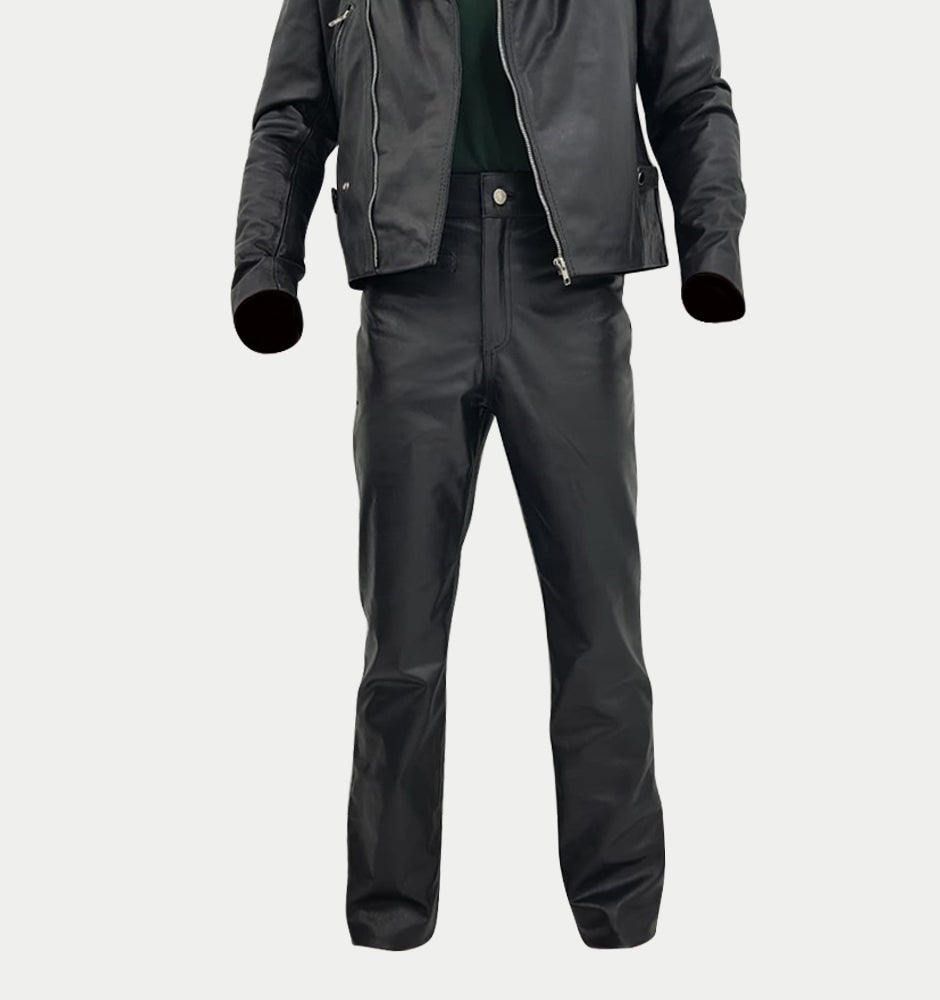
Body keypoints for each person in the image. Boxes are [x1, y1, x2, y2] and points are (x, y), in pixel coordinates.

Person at [230, 0, 746, 951]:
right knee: (402, 641)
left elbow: (690, 91)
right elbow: (293, 114)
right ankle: (388, 919)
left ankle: (621, 915)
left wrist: (712, 246)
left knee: (600, 628)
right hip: (410, 292)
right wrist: (266, 267)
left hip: (570, 288)